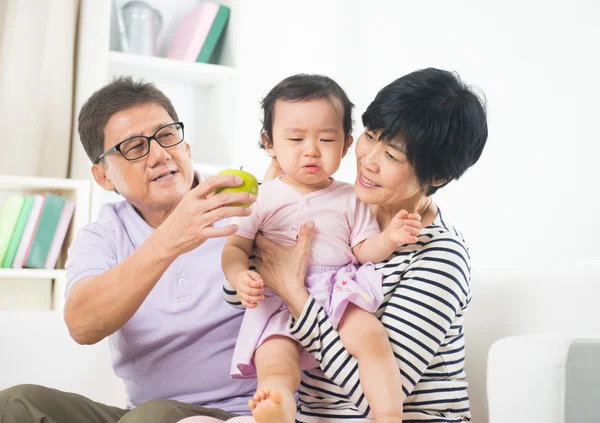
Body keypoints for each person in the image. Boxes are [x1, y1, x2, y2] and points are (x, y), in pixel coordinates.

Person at [182, 67, 488, 423]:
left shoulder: (440, 257)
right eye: (370, 136)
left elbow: (369, 399)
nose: (368, 161)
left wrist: (296, 294)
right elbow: (240, 297)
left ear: (437, 177)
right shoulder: (346, 205)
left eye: (392, 156)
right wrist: (254, 267)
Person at [0, 77, 258, 423]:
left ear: (187, 148)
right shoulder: (102, 235)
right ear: (103, 176)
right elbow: (82, 324)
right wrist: (170, 239)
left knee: (151, 417)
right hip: (142, 416)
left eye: (167, 136)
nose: (159, 154)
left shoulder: (246, 207)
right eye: (135, 147)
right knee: (15, 403)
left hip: (243, 411)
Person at [221, 74, 422, 423]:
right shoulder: (262, 196)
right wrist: (240, 277)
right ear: (269, 143)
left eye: (326, 139)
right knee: (275, 360)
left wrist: (389, 238)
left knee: (373, 340)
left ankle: (388, 415)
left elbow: (362, 250)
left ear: (345, 145)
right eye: (296, 138)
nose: (311, 150)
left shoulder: (351, 196)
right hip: (277, 300)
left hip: (339, 290)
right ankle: (277, 404)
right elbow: (236, 247)